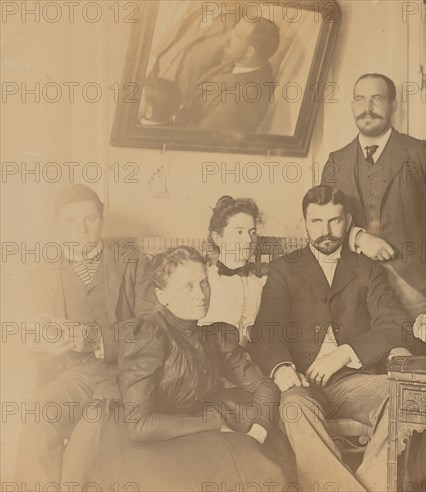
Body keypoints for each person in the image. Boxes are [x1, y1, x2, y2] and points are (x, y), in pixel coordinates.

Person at [249, 185, 425, 492]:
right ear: (305, 223)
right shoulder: (283, 269)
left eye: (334, 221)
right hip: (301, 381)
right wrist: (281, 368)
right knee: (293, 409)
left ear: (348, 221)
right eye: (316, 222)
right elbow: (266, 331)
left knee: (408, 395)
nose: (326, 231)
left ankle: (370, 483)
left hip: (353, 379)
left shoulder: (367, 269)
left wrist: (346, 352)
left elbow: (398, 324)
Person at [92, 246, 292, 490]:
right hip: (152, 445)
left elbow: (263, 385)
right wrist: (213, 424)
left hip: (200, 434)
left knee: (265, 465)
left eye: (203, 283)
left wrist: (259, 429)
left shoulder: (214, 336)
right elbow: (140, 424)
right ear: (162, 295)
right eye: (188, 286)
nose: (201, 294)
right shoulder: (148, 334)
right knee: (250, 470)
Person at [16, 184, 157, 486]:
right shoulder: (41, 273)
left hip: (121, 373)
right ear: (57, 225)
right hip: (71, 374)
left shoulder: (132, 262)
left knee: (90, 431)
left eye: (90, 219)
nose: (82, 228)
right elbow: (28, 332)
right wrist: (42, 342)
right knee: (38, 420)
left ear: (101, 219)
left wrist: (97, 338)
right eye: (71, 221)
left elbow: (153, 328)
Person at [322, 73, 426, 322]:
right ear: (352, 106)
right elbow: (323, 221)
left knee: (417, 357)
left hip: (415, 288)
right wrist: (358, 238)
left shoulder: (417, 151)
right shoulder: (337, 161)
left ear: (393, 106)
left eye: (377, 99)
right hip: (357, 289)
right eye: (360, 99)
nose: (367, 108)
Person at [175, 17, 280, 133]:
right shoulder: (244, 63)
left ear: (249, 52)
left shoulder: (243, 101)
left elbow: (198, 138)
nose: (227, 37)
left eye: (236, 36)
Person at [201, 196, 266, 346]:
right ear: (218, 238)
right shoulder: (205, 280)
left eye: (253, 232)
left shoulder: (261, 284)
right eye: (239, 232)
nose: (249, 240)